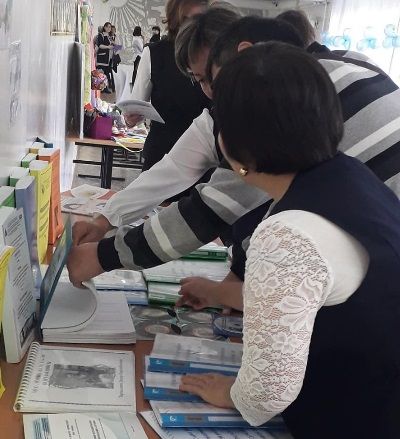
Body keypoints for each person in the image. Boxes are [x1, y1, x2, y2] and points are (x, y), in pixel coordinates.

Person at [68, 16, 400, 292]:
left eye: (211, 79)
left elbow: (210, 211)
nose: (211, 95)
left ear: (246, 55)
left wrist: (102, 257)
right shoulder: (349, 64)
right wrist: (107, 218)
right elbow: (177, 170)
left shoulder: (276, 109)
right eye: (200, 81)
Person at [179, 42, 400, 439]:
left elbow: (269, 391)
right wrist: (215, 292)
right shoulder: (350, 176)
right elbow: (305, 292)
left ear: (233, 145)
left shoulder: (289, 232)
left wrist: (230, 393)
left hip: (354, 419)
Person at [123, 0, 211, 171]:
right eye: (187, 20)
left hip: (203, 160)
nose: (194, 27)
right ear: (175, 20)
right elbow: (136, 106)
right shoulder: (155, 53)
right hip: (162, 155)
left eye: (200, 20)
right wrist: (131, 117)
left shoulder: (214, 53)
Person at [96, 22, 114, 94]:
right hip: (102, 58)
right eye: (108, 27)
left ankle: (104, 88)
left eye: (110, 27)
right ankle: (100, 89)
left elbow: (111, 44)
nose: (109, 28)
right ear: (105, 27)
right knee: (101, 73)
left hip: (108, 58)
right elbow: (100, 45)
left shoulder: (109, 36)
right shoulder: (101, 35)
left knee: (106, 74)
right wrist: (108, 47)